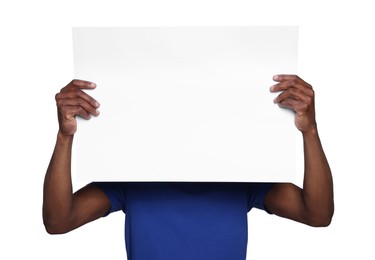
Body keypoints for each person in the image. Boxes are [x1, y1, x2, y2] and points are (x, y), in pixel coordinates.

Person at [43, 75, 334, 260]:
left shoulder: (243, 172)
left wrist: (309, 130)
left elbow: (318, 214)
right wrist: (64, 136)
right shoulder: (131, 173)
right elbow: (58, 222)